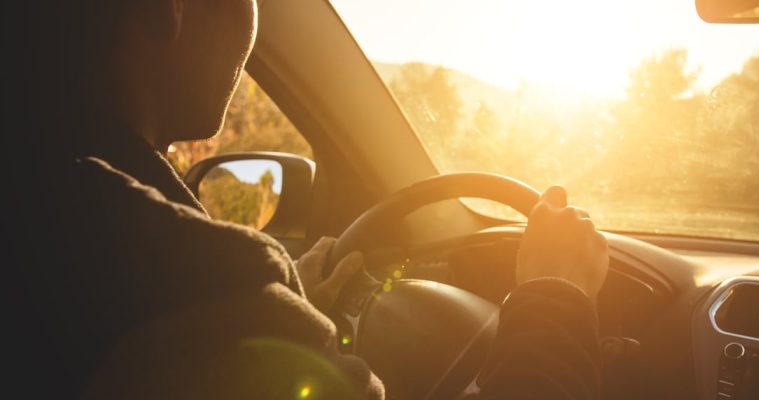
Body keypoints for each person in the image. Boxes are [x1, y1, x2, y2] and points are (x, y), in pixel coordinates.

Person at [7, 0, 608, 398]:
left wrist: (290, 310)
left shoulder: (44, 221)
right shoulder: (185, 299)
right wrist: (555, 294)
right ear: (170, 9)